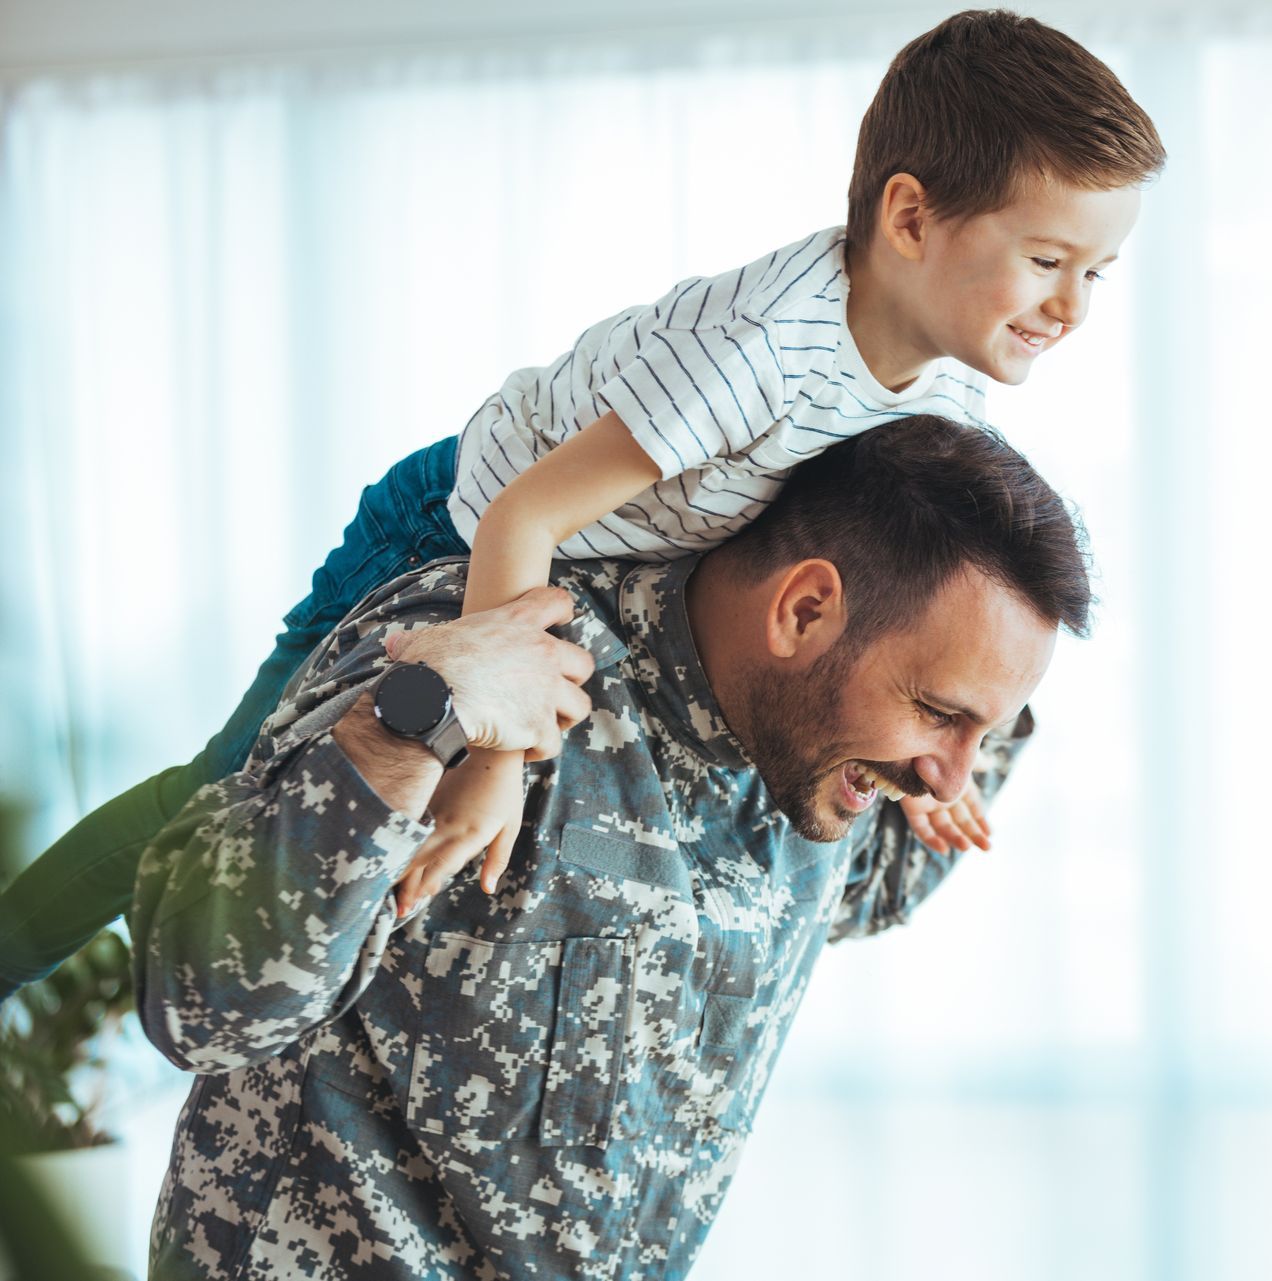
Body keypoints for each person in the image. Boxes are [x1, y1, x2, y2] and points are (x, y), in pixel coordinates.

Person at [0, 7, 1163, 999]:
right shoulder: (756, 352)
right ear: (910, 221)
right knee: (234, 778)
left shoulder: (945, 371)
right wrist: (488, 757)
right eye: (1048, 261)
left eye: (1097, 274)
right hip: (463, 524)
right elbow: (524, 519)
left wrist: (918, 765)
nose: (1072, 310)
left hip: (605, 555)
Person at [133, 416, 1088, 1280]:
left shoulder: (823, 763)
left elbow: (878, 886)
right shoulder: (486, 653)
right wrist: (411, 728)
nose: (953, 773)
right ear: (805, 611)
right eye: (939, 711)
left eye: (983, 732)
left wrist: (959, 740)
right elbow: (200, 1007)